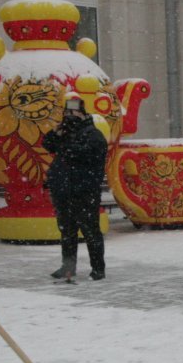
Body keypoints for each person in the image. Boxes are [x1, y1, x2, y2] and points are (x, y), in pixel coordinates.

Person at [42, 94, 107, 282]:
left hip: (84, 191)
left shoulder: (93, 134)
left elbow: (83, 155)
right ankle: (68, 267)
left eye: (73, 112)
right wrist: (56, 132)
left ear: (83, 113)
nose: (69, 116)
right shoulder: (65, 133)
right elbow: (47, 144)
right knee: (67, 231)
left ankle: (98, 268)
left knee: (90, 231)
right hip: (64, 190)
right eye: (66, 113)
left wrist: (66, 143)